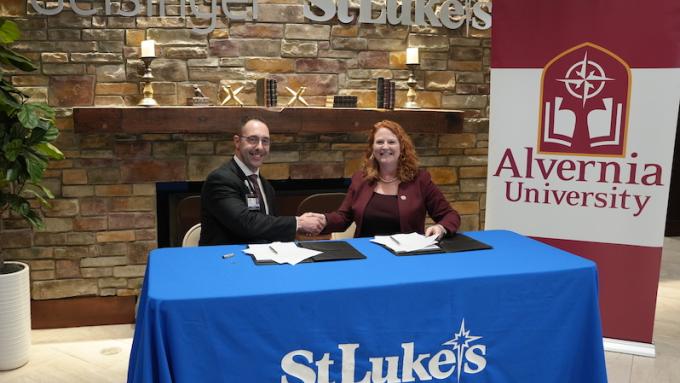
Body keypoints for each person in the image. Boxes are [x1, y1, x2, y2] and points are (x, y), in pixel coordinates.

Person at [321, 120, 460, 239]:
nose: (385, 146)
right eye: (380, 142)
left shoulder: (420, 180)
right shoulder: (361, 179)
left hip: (406, 257)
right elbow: (343, 218)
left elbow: (450, 215)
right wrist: (321, 220)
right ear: (372, 148)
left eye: (392, 142)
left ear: (402, 147)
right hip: (366, 255)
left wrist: (441, 228)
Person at [199, 118, 325, 245]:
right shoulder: (220, 180)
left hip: (262, 259)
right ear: (237, 142)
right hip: (225, 260)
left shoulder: (266, 186)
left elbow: (269, 227)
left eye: (265, 141)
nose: (259, 147)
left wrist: (300, 233)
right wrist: (298, 223)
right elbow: (246, 223)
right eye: (252, 139)